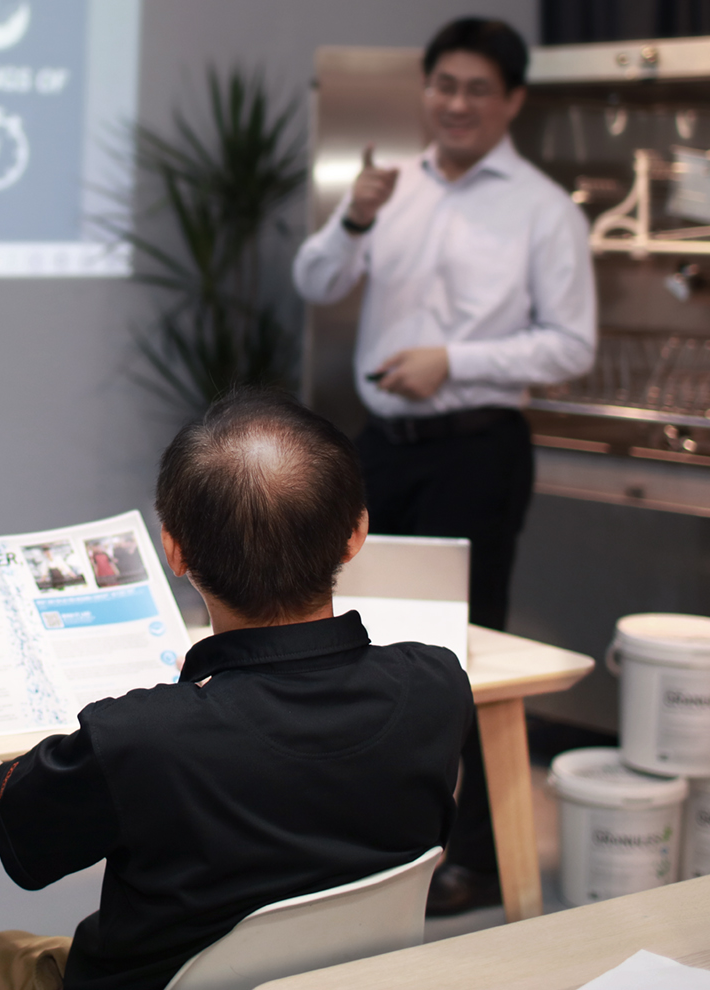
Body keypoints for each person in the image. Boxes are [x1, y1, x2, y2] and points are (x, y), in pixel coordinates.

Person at [0, 388, 471, 990]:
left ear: (174, 550)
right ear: (356, 533)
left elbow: (3, 807)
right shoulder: (438, 686)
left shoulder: (143, 739)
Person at [290, 16, 596, 914]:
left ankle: (477, 859)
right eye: (444, 85)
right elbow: (315, 282)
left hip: (479, 449)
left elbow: (571, 346)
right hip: (382, 447)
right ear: (425, 91)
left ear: (512, 103)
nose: (456, 103)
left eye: (477, 89)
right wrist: (353, 215)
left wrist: (452, 361)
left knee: (464, 652)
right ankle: (375, 843)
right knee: (350, 632)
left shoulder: (542, 208)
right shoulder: (390, 188)